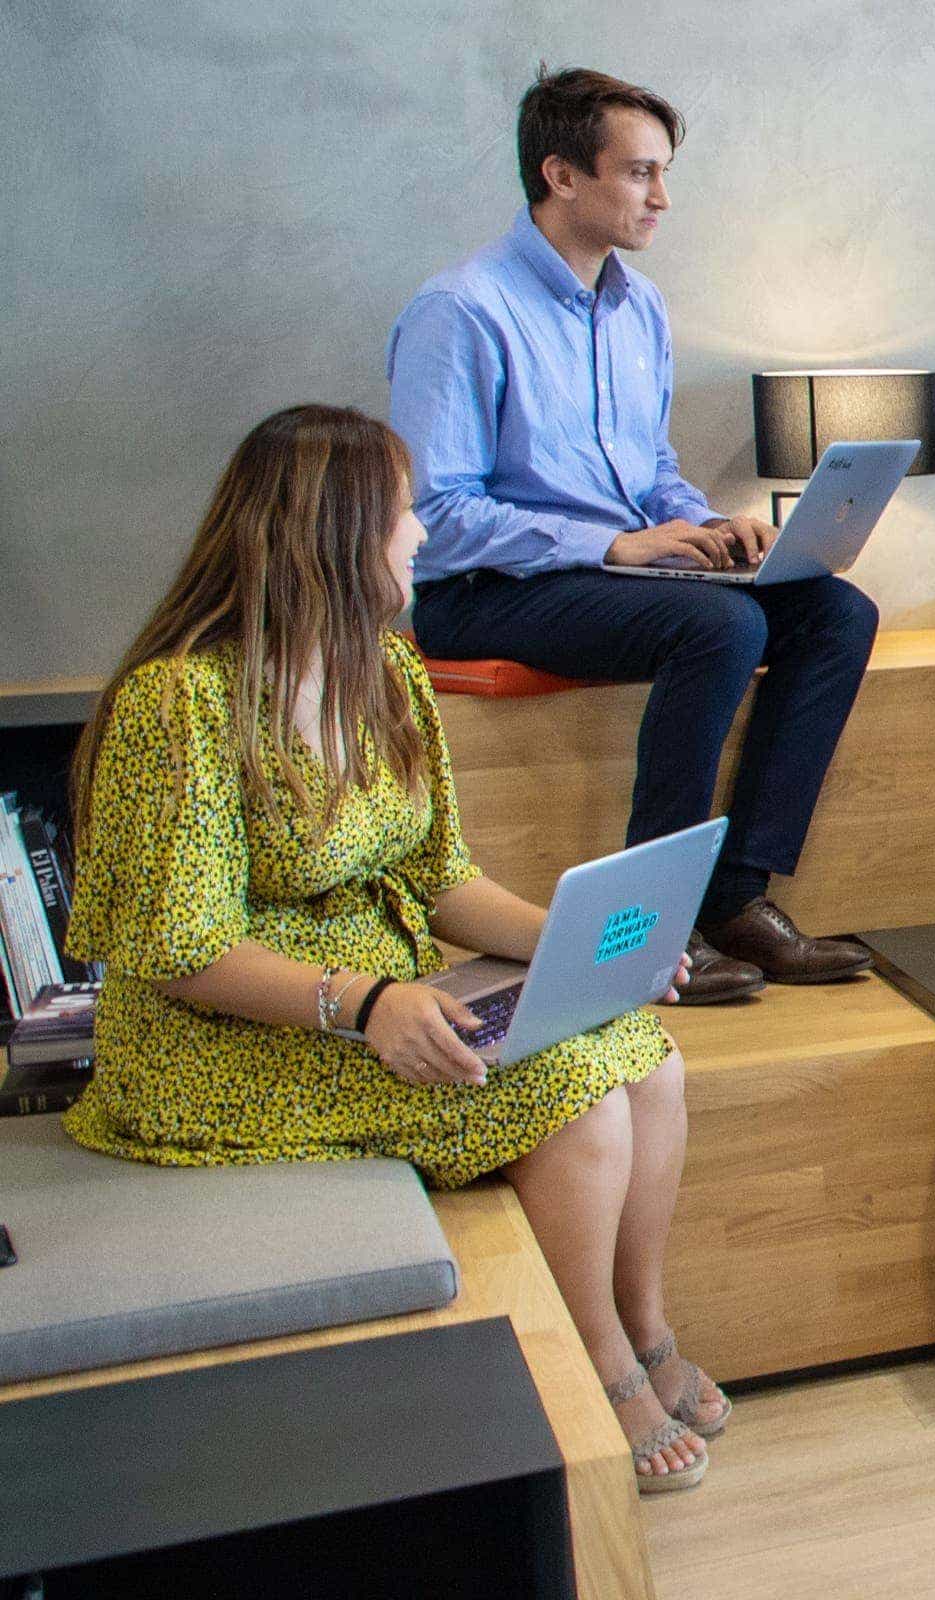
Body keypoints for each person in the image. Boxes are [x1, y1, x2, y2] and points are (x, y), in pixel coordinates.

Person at [61, 405, 732, 1495]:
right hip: (217, 1042)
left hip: (385, 990)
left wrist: (591, 947)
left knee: (649, 1054)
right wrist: (366, 1002)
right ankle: (596, 1364)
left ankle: (644, 1324)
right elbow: (182, 949)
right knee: (578, 1091)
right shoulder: (179, 702)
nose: (420, 536)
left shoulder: (384, 669)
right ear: (334, 532)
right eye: (405, 512)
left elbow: (443, 879)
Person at [388, 67, 877, 1003]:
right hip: (487, 591)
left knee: (836, 613)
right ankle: (644, 934)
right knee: (722, 628)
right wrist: (614, 547)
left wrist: (698, 523)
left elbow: (646, 469)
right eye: (641, 173)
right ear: (562, 174)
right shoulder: (462, 310)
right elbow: (437, 516)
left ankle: (737, 894)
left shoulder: (638, 307)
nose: (663, 197)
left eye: (665, 173)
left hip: (618, 579)